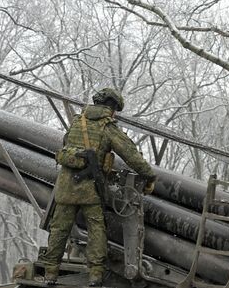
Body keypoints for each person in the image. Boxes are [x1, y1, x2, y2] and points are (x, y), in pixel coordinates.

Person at [39, 88, 156, 287]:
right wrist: (149, 175)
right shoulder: (107, 127)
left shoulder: (78, 121)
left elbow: (67, 144)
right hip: (90, 188)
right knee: (96, 230)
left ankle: (50, 273)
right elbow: (130, 154)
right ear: (111, 108)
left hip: (66, 186)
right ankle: (95, 276)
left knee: (59, 229)